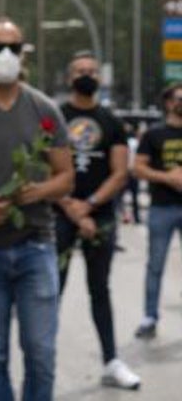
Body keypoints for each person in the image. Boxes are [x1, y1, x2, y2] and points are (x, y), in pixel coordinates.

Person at [0, 17, 74, 401]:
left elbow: (66, 177)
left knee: (41, 353)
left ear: (24, 55)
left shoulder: (45, 109)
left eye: (14, 47)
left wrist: (35, 192)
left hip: (36, 246)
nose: (6, 54)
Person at [53, 52, 139, 389]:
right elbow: (43, 166)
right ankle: (42, 360)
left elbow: (120, 174)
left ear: (99, 77)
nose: (86, 75)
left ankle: (111, 361)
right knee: (51, 290)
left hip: (99, 216)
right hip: (59, 214)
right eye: (79, 71)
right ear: (68, 76)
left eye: (91, 70)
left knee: (99, 289)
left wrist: (87, 206)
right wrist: (70, 207)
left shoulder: (112, 121)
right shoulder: (55, 117)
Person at [132, 81, 182, 340]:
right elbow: (138, 168)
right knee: (156, 265)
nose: (181, 103)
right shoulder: (154, 134)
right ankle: (149, 316)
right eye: (177, 99)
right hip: (162, 207)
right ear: (168, 103)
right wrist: (167, 177)